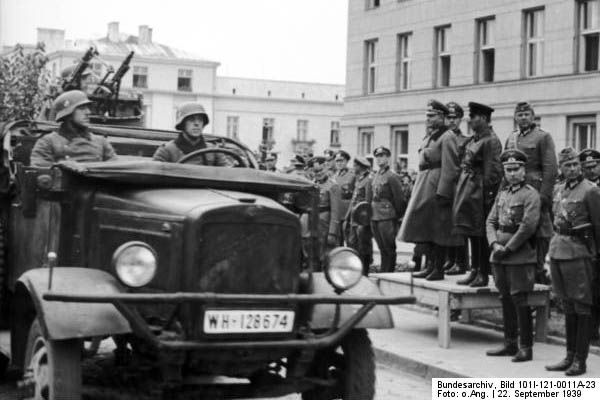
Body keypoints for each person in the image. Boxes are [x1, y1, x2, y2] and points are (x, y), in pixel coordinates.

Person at [545, 148, 600, 376]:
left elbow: (598, 226)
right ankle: (568, 355)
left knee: (581, 305)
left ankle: (581, 360)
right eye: (567, 165)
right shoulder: (558, 189)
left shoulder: (591, 191)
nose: (573, 169)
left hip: (579, 253)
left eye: (576, 164)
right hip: (558, 250)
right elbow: (554, 219)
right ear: (561, 168)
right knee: (566, 304)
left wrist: (596, 256)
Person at [486, 149, 540, 362]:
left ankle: (526, 347)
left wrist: (508, 248)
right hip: (499, 254)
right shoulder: (503, 194)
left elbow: (528, 226)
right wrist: (493, 244)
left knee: (520, 299)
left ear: (524, 170)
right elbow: (490, 221)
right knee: (505, 298)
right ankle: (509, 343)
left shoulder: (530, 194)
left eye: (516, 169)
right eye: (508, 170)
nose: (512, 173)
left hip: (519, 254)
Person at [401, 100, 462, 281]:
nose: (428, 119)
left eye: (432, 116)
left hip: (437, 187)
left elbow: (450, 167)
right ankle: (430, 265)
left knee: (439, 230)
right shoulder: (430, 136)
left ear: (442, 117)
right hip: (425, 184)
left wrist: (444, 192)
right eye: (427, 115)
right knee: (426, 228)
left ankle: (438, 268)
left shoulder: (447, 136)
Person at [505, 102, 558, 284]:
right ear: (515, 118)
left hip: (535, 192)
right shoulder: (512, 138)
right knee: (519, 237)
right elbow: (506, 168)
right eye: (520, 115)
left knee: (539, 238)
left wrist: (543, 198)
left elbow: (550, 170)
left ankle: (541, 288)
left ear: (533, 116)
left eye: (527, 114)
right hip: (516, 195)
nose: (523, 118)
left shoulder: (542, 137)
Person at [453, 102, 503, 287]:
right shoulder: (475, 139)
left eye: (473, 117)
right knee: (472, 232)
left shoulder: (490, 140)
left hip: (481, 193)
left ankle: (483, 272)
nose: (470, 120)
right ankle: (474, 270)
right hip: (470, 191)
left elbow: (494, 172)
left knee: (481, 234)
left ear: (483, 118)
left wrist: (488, 197)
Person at [30, 90, 117, 167]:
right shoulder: (47, 142)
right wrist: (63, 166)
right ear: (68, 114)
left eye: (88, 108)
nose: (88, 112)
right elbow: (40, 173)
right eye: (82, 108)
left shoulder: (101, 142)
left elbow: (115, 170)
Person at [444, 101, 471, 275]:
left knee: (460, 226)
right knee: (445, 225)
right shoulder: (441, 138)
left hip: (459, 187)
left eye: (455, 117)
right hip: (444, 186)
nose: (451, 121)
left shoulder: (466, 140)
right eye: (448, 117)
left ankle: (461, 262)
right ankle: (449, 258)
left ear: (461, 119)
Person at [153, 102, 227, 165]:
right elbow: (153, 176)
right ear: (182, 124)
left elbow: (229, 174)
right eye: (191, 120)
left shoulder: (214, 151)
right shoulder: (167, 151)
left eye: (200, 120)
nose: (197, 124)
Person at [371, 146, 406, 273]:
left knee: (389, 247)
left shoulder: (392, 176)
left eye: (382, 156)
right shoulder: (376, 174)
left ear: (388, 158)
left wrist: (396, 215)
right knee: (381, 247)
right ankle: (383, 271)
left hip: (387, 215)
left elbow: (399, 199)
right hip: (374, 214)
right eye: (377, 156)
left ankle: (389, 272)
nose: (379, 159)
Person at [301, 156, 342, 261]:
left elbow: (336, 212)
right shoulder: (312, 184)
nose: (318, 173)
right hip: (312, 225)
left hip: (325, 225)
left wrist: (332, 233)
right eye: (315, 171)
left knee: (325, 257)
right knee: (312, 255)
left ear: (326, 168)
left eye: (320, 170)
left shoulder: (333, 186)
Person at [579, 148, 600, 342]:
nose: (591, 170)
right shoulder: (582, 188)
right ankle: (593, 332)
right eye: (586, 167)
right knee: (591, 289)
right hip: (588, 245)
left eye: (594, 166)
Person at [345, 156, 373, 274]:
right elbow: (353, 199)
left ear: (360, 167)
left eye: (355, 166)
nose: (353, 168)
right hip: (354, 217)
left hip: (362, 219)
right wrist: (347, 217)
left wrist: (365, 222)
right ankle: (355, 270)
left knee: (363, 246)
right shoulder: (359, 179)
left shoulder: (368, 180)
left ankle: (364, 271)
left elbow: (368, 202)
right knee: (353, 244)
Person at [333, 150, 355, 245]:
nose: (339, 163)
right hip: (337, 212)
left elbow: (355, 194)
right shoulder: (333, 176)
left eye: (341, 161)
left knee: (350, 240)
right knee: (338, 241)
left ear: (346, 162)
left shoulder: (352, 175)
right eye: (337, 161)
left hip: (347, 213)